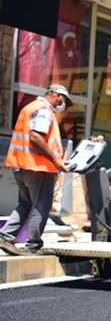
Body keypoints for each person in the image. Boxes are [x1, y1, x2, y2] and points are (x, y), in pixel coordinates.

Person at [0, 84, 73, 255]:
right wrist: (56, 159)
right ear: (57, 96)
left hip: (21, 165)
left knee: (26, 204)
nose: (63, 106)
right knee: (41, 206)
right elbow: (35, 136)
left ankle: (5, 236)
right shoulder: (43, 110)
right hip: (38, 168)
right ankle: (33, 245)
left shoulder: (29, 107)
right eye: (64, 101)